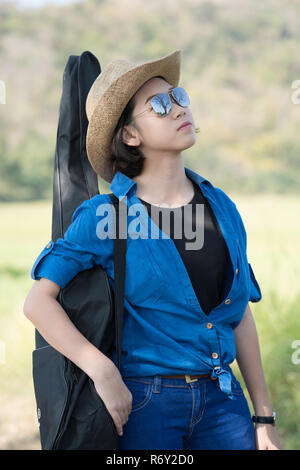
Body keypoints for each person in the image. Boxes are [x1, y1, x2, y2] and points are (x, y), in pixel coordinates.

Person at [23, 49, 281, 450]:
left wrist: (263, 418)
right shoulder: (105, 216)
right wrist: (101, 370)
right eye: (159, 105)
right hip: (145, 405)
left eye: (178, 97)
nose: (178, 109)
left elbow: (240, 313)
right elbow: (38, 302)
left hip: (223, 402)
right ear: (130, 135)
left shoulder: (222, 207)